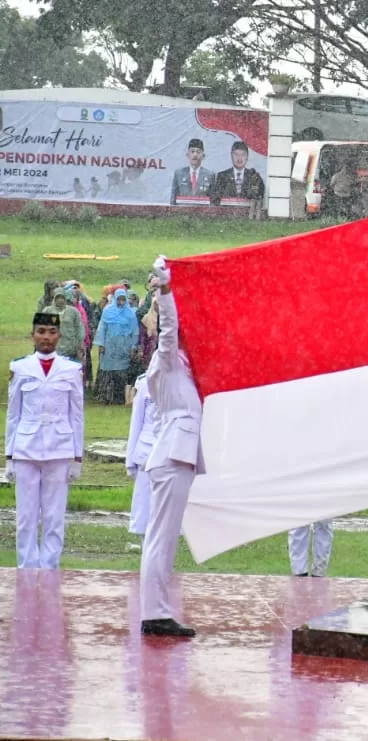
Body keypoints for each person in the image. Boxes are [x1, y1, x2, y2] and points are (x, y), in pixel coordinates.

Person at [139, 258, 205, 638]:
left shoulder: (183, 365)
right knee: (160, 538)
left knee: (162, 536)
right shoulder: (164, 362)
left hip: (176, 456)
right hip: (171, 454)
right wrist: (165, 292)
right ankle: (155, 613)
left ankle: (156, 611)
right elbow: (168, 333)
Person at [5, 313, 85, 569]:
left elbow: (77, 415)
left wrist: (77, 457)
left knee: (54, 517)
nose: (46, 337)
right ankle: (26, 569)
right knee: (26, 518)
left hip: (60, 450)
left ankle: (50, 569)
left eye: (51, 332)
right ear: (33, 335)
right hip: (26, 450)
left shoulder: (71, 369)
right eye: (41, 331)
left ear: (59, 336)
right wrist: (8, 456)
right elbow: (13, 414)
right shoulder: (20, 367)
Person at [125, 371, 157, 542]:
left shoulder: (185, 380)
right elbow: (136, 422)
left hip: (172, 452)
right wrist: (130, 461)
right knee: (145, 506)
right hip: (147, 451)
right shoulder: (145, 383)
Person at [93, 288, 140, 404]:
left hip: (123, 347)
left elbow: (135, 332)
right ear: (115, 299)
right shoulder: (107, 311)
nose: (121, 302)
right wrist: (101, 344)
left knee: (121, 372)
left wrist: (133, 346)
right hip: (109, 346)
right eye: (119, 299)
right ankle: (105, 397)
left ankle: (119, 398)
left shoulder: (130, 314)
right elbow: (102, 328)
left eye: (123, 300)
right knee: (107, 372)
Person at [208, 140, 266, 206]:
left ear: (247, 157)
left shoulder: (254, 176)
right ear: (231, 156)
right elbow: (215, 199)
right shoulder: (222, 176)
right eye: (236, 154)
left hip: (247, 214)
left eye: (243, 155)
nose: (239, 158)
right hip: (227, 214)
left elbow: (259, 197)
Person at [43, 288, 85, 362]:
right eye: (58, 297)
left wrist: (80, 344)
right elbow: (41, 328)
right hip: (53, 348)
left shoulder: (73, 311)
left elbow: (79, 328)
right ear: (54, 298)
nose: (60, 300)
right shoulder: (47, 311)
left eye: (62, 297)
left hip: (70, 349)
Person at [171, 138, 214, 203]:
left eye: (198, 152)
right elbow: (173, 199)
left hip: (202, 212)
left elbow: (212, 201)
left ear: (203, 156)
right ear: (187, 155)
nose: (195, 155)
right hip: (182, 212)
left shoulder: (210, 175)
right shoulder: (179, 173)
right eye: (192, 151)